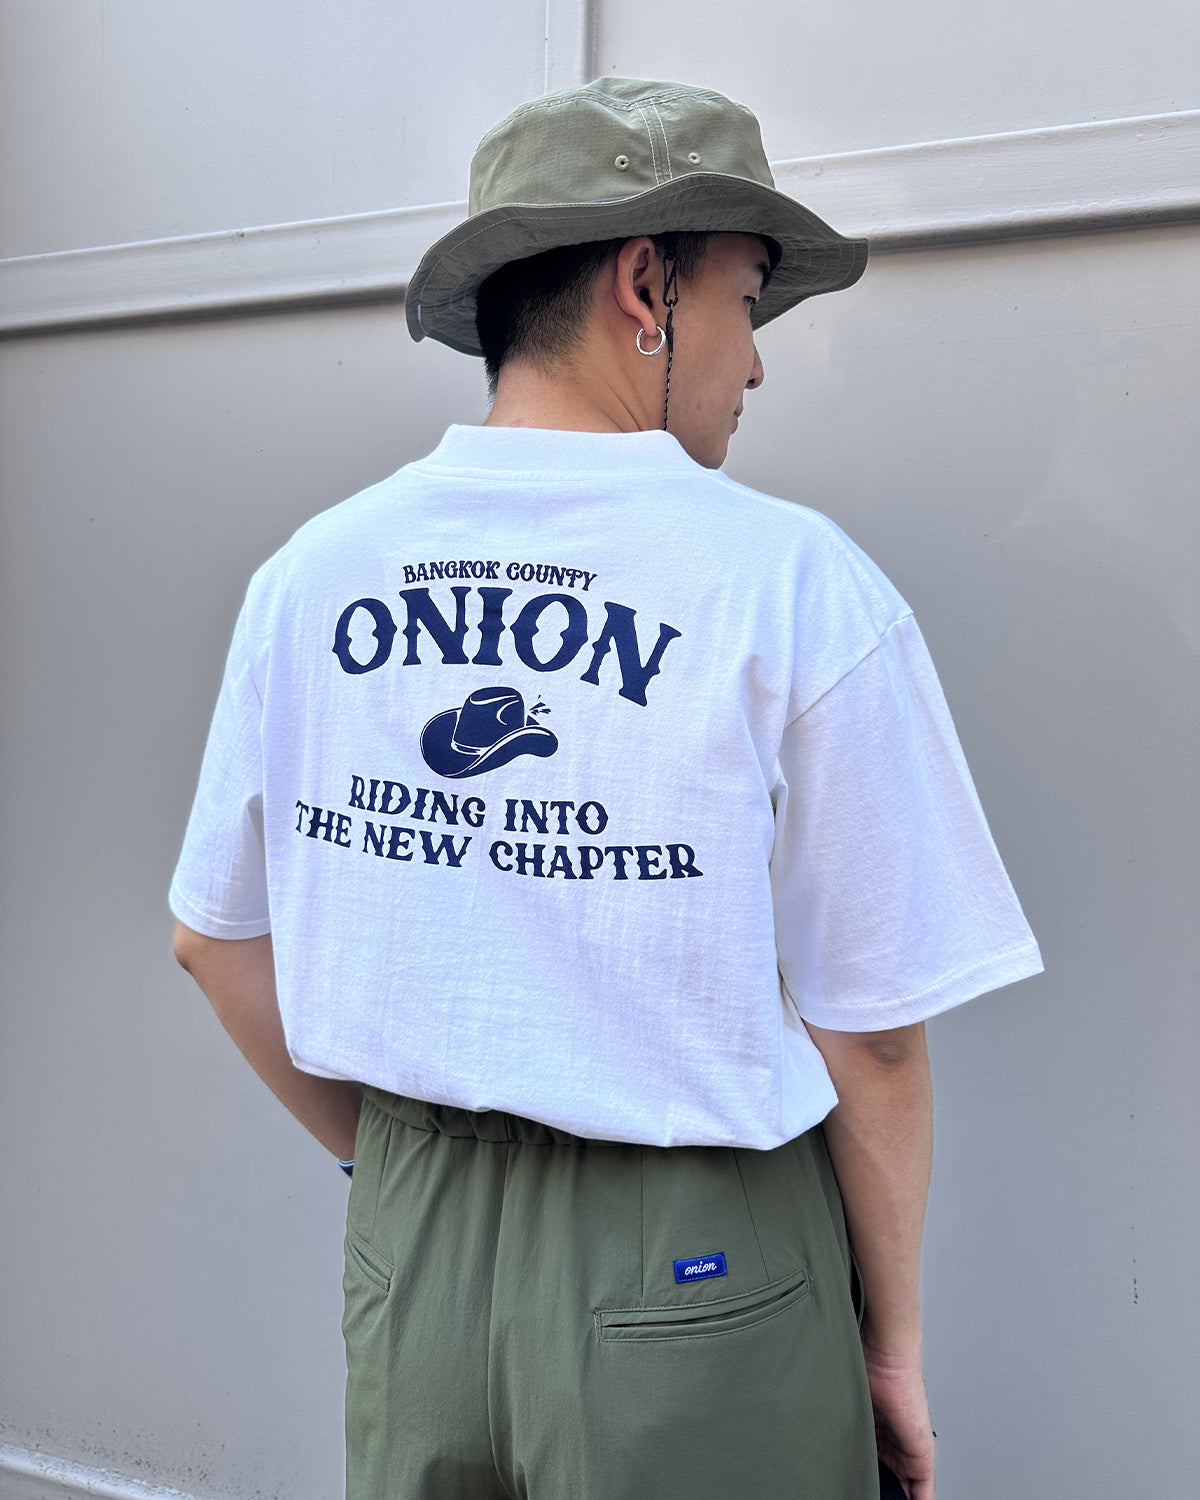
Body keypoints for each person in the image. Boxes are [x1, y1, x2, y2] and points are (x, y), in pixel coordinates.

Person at [170, 78, 1042, 1500]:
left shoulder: (308, 577)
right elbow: (874, 1040)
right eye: (746, 302)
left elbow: (211, 940)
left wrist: (413, 1172)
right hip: (694, 1268)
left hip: (412, 1256)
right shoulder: (789, 582)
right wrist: (891, 1349)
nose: (752, 365)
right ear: (648, 285)